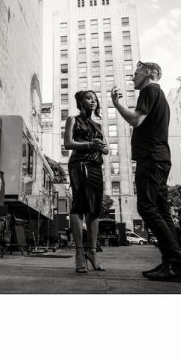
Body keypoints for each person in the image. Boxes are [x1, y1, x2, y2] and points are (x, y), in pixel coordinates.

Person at [111, 61, 181, 282]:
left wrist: (116, 104)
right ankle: (172, 264)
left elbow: (136, 120)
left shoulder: (149, 90)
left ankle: (175, 263)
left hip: (151, 158)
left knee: (146, 207)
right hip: (160, 158)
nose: (133, 77)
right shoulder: (160, 94)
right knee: (162, 211)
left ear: (148, 72)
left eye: (136, 73)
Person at [64, 90, 109, 273]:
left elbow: (106, 149)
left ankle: (92, 252)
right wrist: (90, 145)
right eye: (89, 98)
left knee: (95, 209)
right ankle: (80, 253)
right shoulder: (73, 120)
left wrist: (102, 147)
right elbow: (68, 143)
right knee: (80, 206)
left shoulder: (98, 125)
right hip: (79, 164)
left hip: (96, 167)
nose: (93, 101)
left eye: (95, 99)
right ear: (81, 102)